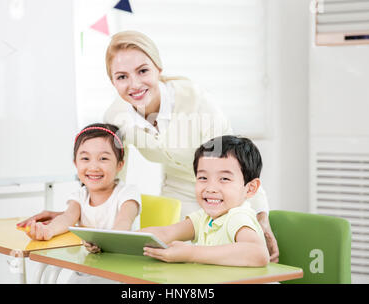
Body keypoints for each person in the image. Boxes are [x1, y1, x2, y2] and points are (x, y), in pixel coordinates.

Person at [18, 31, 279, 262]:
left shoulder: (197, 102)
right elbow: (109, 179)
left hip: (225, 191)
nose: (134, 84)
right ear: (112, 82)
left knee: (223, 257)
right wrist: (76, 214)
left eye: (143, 71)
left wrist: (260, 219)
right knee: (175, 262)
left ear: (158, 69)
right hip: (177, 192)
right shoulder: (117, 117)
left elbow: (236, 169)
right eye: (122, 76)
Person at [141, 135, 270, 267]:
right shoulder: (204, 217)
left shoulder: (237, 217)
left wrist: (191, 253)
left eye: (224, 179)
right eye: (203, 177)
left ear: (250, 188)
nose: (211, 188)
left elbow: (259, 254)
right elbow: (165, 233)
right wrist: (122, 239)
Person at [17, 123, 141, 251]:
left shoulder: (128, 194)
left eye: (103, 158)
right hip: (90, 264)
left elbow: (124, 222)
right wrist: (48, 231)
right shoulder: (79, 196)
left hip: (122, 264)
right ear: (75, 163)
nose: (93, 167)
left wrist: (105, 242)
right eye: (85, 158)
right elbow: (66, 218)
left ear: (120, 165)